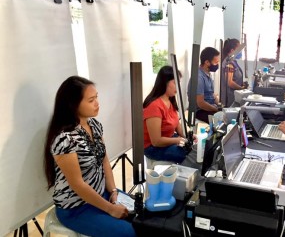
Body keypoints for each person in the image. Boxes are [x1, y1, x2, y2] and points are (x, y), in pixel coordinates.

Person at [43, 76, 135, 237]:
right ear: (73, 104)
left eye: (96, 97)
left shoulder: (94, 125)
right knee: (125, 231)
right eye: (91, 100)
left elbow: (104, 160)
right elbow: (78, 184)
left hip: (102, 194)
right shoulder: (64, 139)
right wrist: (110, 208)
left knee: (142, 216)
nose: (97, 103)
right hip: (76, 207)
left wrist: (113, 191)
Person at [143, 65, 191, 163]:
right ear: (165, 83)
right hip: (153, 148)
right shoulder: (154, 106)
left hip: (169, 139)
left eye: (179, 83)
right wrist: (177, 140)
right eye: (175, 82)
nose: (178, 86)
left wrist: (188, 136)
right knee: (188, 155)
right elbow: (156, 141)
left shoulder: (170, 100)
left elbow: (177, 125)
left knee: (193, 149)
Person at [189, 46, 221, 123]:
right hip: (200, 111)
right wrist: (217, 109)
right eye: (216, 62)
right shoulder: (199, 77)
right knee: (221, 121)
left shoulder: (208, 74)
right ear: (207, 62)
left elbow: (212, 94)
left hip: (210, 108)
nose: (217, 64)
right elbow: (201, 103)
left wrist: (220, 105)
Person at [220, 38, 247, 107]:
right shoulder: (229, 63)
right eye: (239, 50)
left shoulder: (233, 61)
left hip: (233, 95)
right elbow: (230, 82)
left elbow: (235, 78)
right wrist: (242, 89)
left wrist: (241, 84)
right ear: (232, 51)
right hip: (230, 97)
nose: (240, 52)